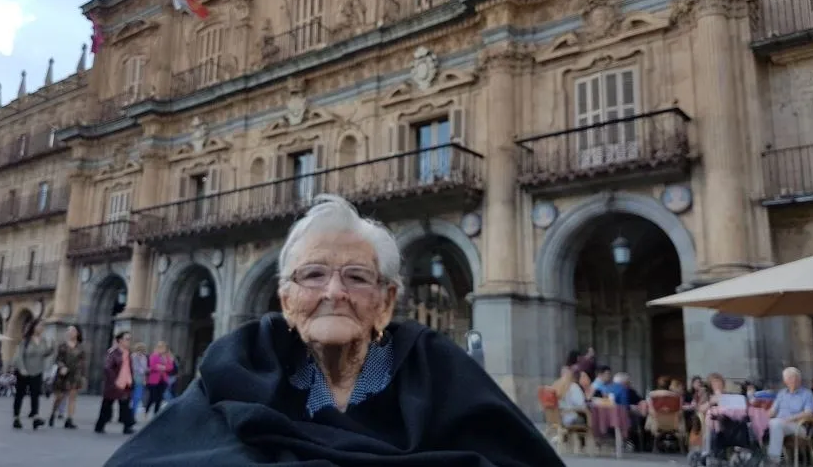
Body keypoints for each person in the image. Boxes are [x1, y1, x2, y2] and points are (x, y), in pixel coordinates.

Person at [105, 194, 562, 467]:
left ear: (386, 301)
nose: (334, 291)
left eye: (358, 277)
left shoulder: (436, 369)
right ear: (286, 298)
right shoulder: (239, 366)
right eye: (313, 275)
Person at [767, 367, 813, 463]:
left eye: (795, 377)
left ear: (799, 379)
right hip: (780, 424)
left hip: (799, 426)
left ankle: (774, 460)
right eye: (790, 378)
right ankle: (752, 457)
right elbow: (772, 411)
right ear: (785, 380)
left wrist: (790, 419)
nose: (793, 380)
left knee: (775, 423)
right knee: (753, 426)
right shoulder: (781, 394)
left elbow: (809, 413)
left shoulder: (806, 393)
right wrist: (761, 417)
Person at [12, 318, 54, 430]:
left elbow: (44, 354)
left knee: (35, 394)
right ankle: (16, 418)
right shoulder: (25, 340)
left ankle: (35, 417)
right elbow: (19, 356)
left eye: (42, 326)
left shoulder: (43, 340)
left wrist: (51, 348)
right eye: (39, 325)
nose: (41, 328)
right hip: (24, 372)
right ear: (33, 327)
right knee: (20, 395)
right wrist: (22, 369)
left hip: (37, 371)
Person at [95, 331, 135, 435]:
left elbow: (129, 369)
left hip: (126, 383)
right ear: (120, 340)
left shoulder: (127, 353)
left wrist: (130, 380)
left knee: (125, 405)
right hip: (113, 384)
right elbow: (107, 367)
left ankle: (127, 426)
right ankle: (100, 425)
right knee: (107, 405)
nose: (129, 341)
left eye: (129, 339)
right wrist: (114, 380)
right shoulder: (113, 352)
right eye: (127, 339)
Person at [48, 325, 86, 429]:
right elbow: (57, 359)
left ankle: (69, 420)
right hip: (63, 374)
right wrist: (62, 367)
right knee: (59, 397)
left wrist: (82, 376)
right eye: (68, 330)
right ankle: (53, 414)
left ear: (77, 333)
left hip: (75, 375)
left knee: (72, 397)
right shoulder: (62, 345)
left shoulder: (81, 347)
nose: (70, 332)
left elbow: (82, 362)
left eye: (73, 330)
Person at [145, 341, 173, 416]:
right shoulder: (154, 356)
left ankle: (156, 413)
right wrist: (162, 367)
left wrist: (162, 367)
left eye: (163, 347)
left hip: (163, 380)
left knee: (159, 398)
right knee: (152, 397)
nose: (162, 349)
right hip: (153, 380)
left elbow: (170, 367)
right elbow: (152, 366)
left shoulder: (167, 357)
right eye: (160, 347)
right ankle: (146, 411)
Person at [130, 343, 148, 419]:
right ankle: (129, 414)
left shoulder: (144, 358)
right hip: (133, 379)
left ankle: (133, 415)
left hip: (140, 380)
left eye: (142, 350)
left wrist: (144, 379)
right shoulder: (133, 356)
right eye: (139, 350)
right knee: (131, 398)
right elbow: (133, 367)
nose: (140, 352)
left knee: (137, 397)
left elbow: (144, 369)